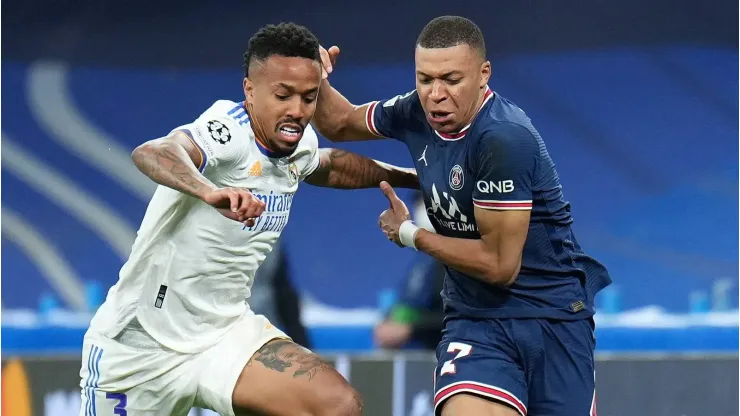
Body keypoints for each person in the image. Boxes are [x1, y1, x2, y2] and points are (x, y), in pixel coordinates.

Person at [78, 22, 417, 416]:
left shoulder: (297, 142)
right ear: (249, 91)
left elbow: (325, 165)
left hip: (224, 336)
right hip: (139, 346)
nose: (297, 111)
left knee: (337, 407)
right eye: (283, 95)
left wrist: (416, 178)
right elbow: (154, 152)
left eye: (309, 98)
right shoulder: (227, 130)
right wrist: (207, 190)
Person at [312, 15, 612, 416]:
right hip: (476, 320)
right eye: (425, 79)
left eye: (451, 80)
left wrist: (409, 234)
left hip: (553, 318)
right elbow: (338, 122)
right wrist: (313, 76)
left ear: (483, 73)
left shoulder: (503, 137)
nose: (436, 94)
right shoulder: (415, 110)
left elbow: (500, 265)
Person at [374, 194, 445, 350]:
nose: (420, 210)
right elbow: (407, 304)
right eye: (418, 204)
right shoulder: (422, 260)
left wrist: (411, 329)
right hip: (415, 357)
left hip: (443, 355)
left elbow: (456, 314)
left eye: (425, 204)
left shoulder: (455, 258)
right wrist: (388, 322)